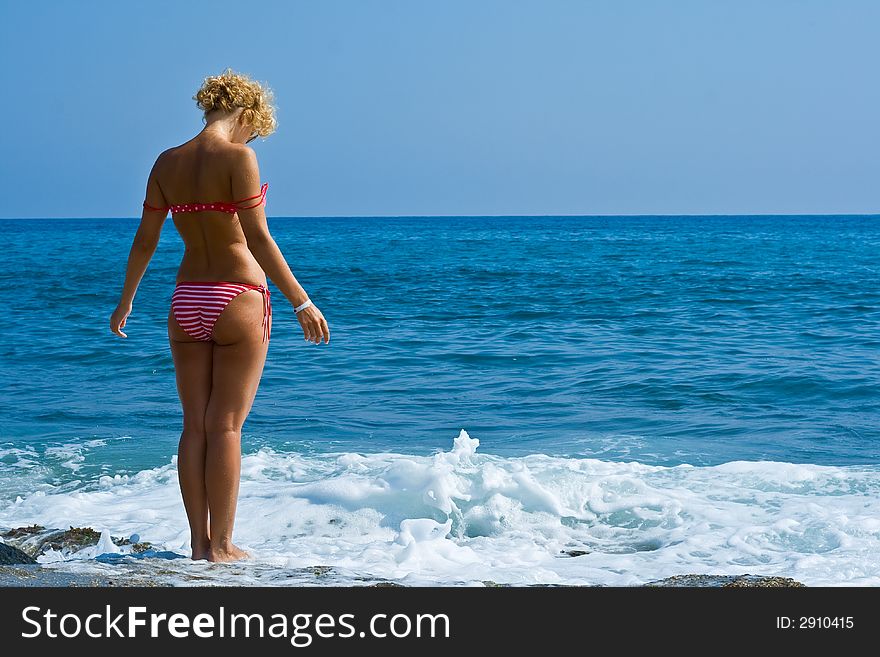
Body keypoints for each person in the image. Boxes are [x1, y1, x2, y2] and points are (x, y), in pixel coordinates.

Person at [109, 68, 330, 563]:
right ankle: (223, 546)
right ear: (247, 114)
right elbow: (258, 238)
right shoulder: (239, 157)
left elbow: (146, 240)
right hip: (237, 297)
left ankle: (196, 545)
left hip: (186, 299)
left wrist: (126, 301)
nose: (255, 137)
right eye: (256, 128)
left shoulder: (166, 162)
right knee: (226, 426)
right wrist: (302, 300)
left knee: (195, 426)